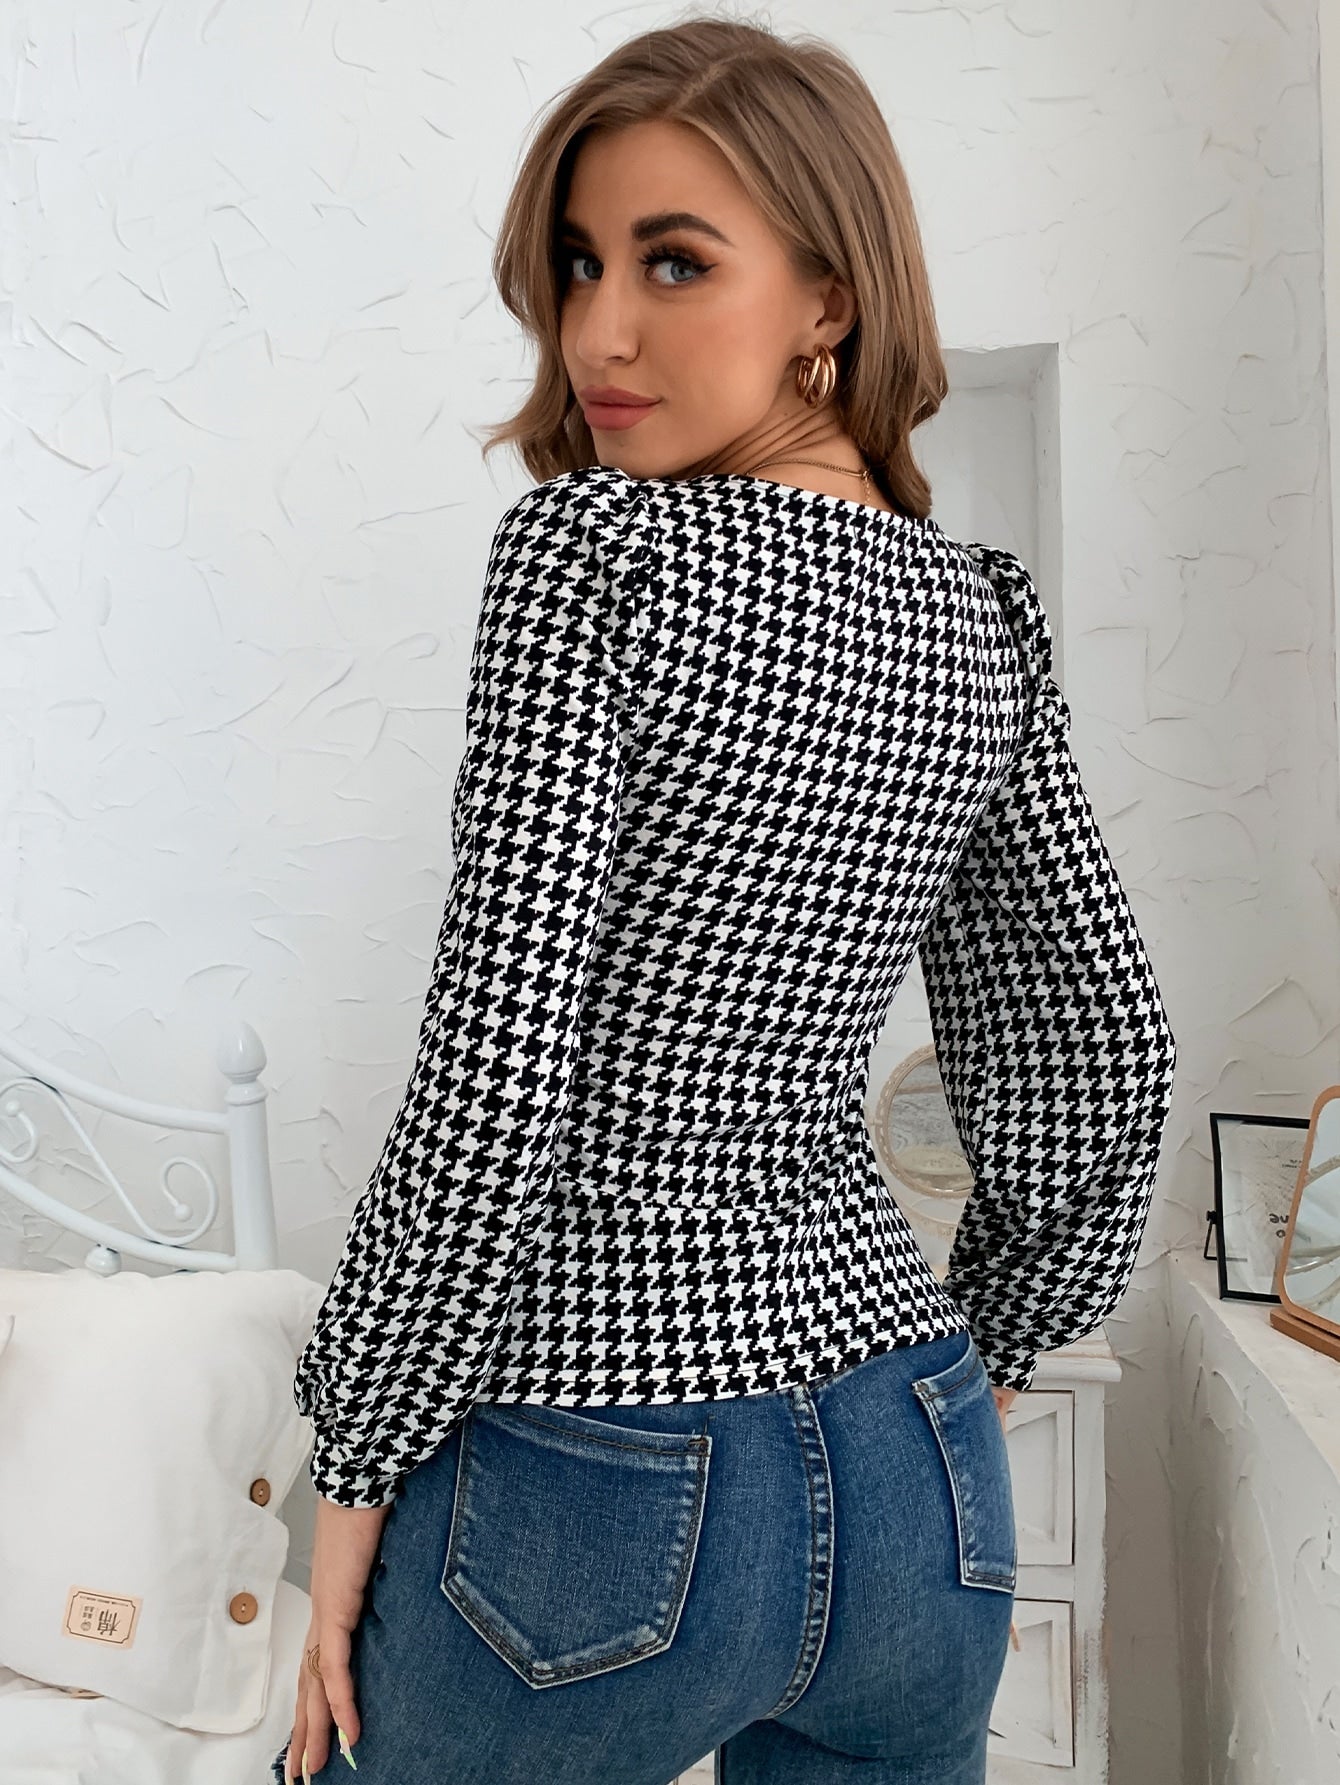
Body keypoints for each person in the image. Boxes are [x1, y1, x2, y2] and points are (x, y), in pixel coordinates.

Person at [274, 15, 1177, 1784]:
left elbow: (497, 1065)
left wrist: (357, 1456)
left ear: (829, 294)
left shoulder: (590, 554)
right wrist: (993, 1340)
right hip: (914, 1443)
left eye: (673, 263)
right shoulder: (979, 613)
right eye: (578, 264)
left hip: (599, 1458)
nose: (599, 332)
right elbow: (1101, 1040)